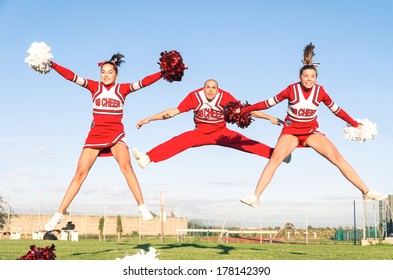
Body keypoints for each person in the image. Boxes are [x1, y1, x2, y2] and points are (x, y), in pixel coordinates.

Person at [238, 43, 387, 208]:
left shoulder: (320, 92)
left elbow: (336, 110)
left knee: (337, 158)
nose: (309, 79)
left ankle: (366, 192)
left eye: (312, 76)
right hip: (291, 132)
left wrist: (354, 124)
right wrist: (244, 109)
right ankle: (255, 196)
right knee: (275, 160)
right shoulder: (291, 90)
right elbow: (267, 103)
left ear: (316, 78)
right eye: (306, 76)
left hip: (311, 132)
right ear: (300, 77)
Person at [44, 53, 163, 231]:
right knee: (79, 174)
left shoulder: (122, 89)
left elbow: (144, 82)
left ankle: (142, 207)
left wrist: (163, 73)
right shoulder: (94, 87)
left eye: (110, 72)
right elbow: (72, 76)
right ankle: (58, 215)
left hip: (116, 134)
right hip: (96, 134)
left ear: (116, 75)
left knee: (126, 167)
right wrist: (52, 64)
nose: (106, 75)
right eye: (103, 72)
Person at [132, 79, 291, 169]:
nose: (210, 91)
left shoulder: (224, 97)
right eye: (207, 87)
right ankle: (148, 158)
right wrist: (149, 119)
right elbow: (172, 112)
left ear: (218, 89)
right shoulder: (195, 96)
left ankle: (279, 154)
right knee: (178, 141)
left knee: (246, 143)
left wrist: (269, 117)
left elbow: (245, 110)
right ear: (203, 88)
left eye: (213, 88)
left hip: (221, 133)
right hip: (199, 133)